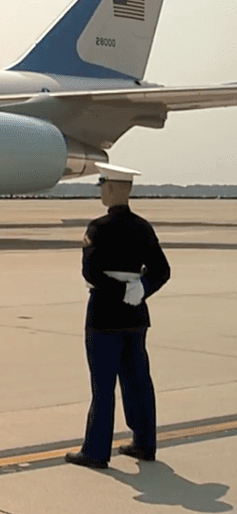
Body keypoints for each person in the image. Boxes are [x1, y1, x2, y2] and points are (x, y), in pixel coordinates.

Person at [65, 163, 171, 470]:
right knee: (138, 381)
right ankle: (145, 443)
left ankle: (96, 451)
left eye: (103, 186)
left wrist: (119, 290)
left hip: (104, 316)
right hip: (135, 316)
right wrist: (140, 289)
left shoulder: (98, 228)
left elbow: (91, 272)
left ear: (111, 189)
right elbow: (162, 270)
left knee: (103, 386)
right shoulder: (143, 227)